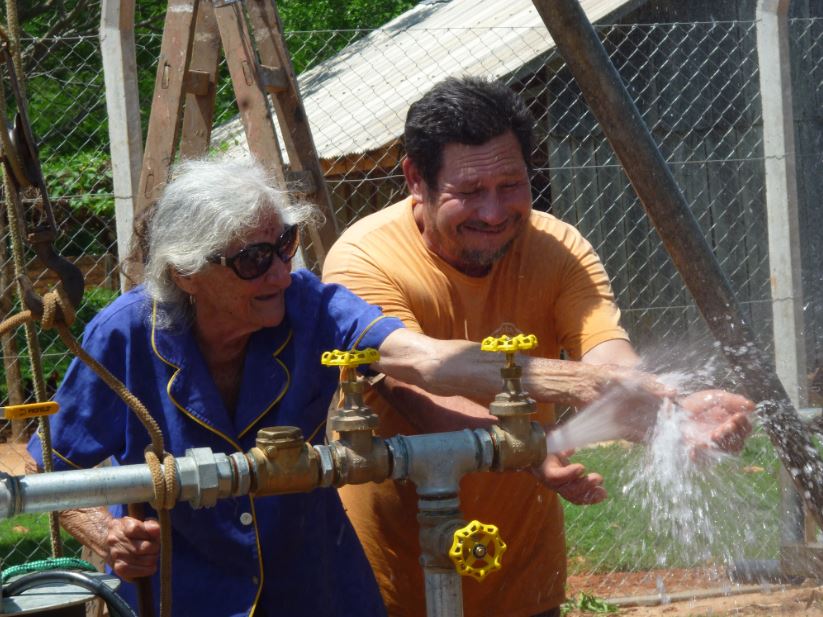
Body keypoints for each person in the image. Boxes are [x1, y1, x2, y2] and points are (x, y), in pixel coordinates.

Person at [27, 156, 670, 617]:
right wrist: (100, 530)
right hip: (188, 594)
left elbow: (423, 361)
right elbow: (49, 459)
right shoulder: (125, 333)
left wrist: (584, 382)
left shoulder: (311, 304)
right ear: (187, 274)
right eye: (254, 259)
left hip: (317, 586)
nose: (281, 271)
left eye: (286, 245)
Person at [322, 76, 753, 617]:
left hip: (523, 581)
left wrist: (671, 414)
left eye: (512, 184)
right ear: (416, 179)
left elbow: (607, 354)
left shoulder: (559, 246)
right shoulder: (363, 260)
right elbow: (415, 390)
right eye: (470, 192)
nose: (496, 211)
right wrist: (532, 446)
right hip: (389, 585)